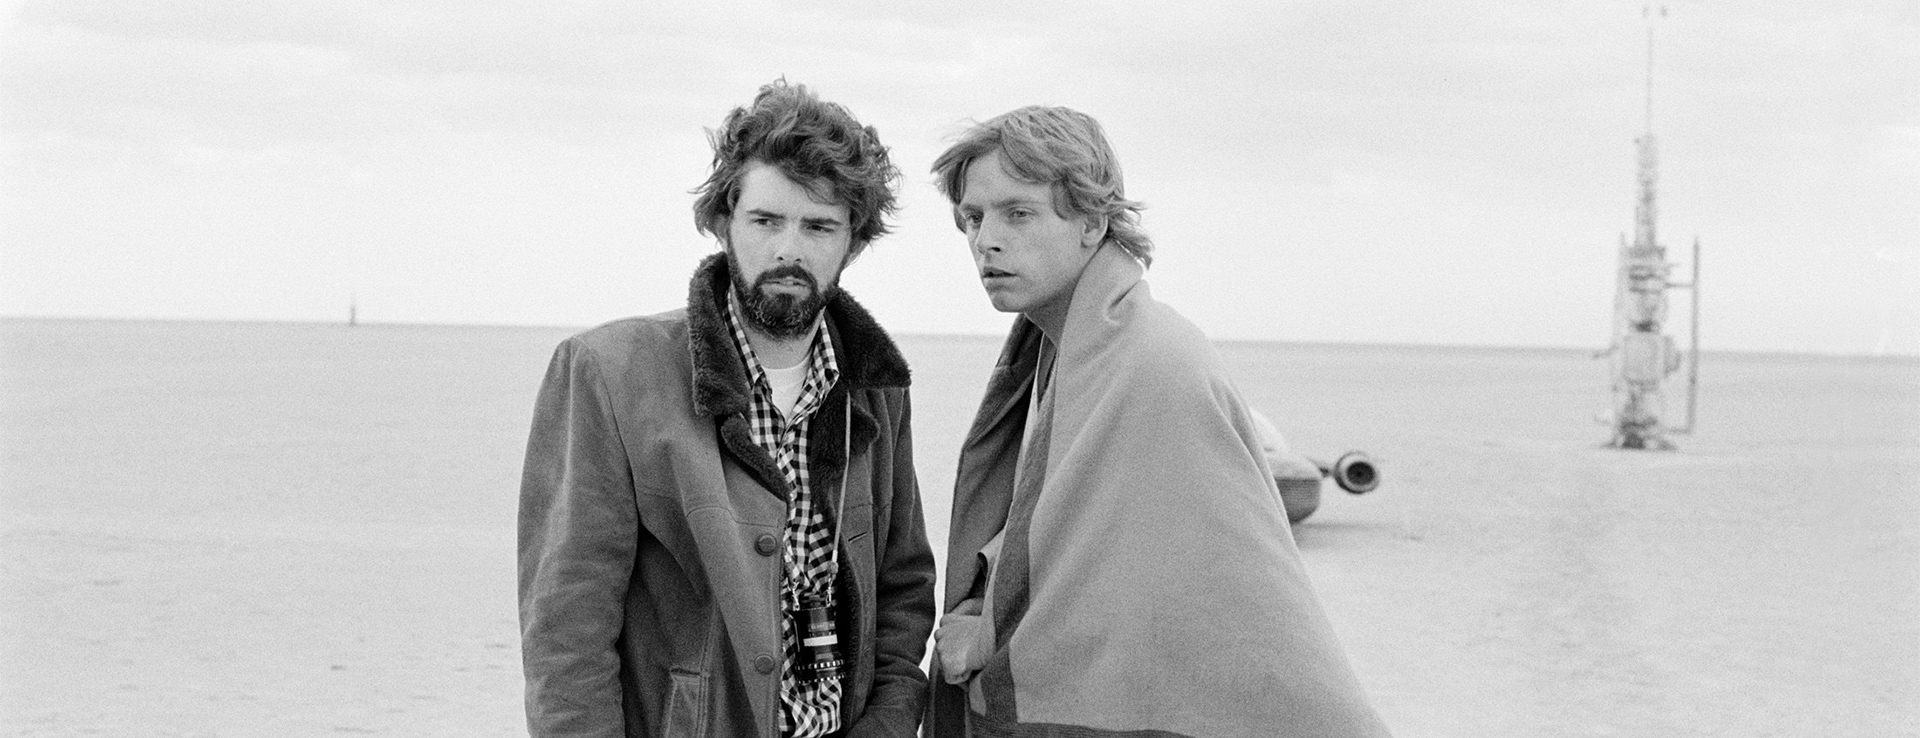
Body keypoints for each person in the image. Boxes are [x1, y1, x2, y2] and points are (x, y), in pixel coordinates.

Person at [924, 106, 1392, 737]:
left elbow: (1212, 596)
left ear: (1092, 222)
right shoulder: (1072, 350)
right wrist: (992, 603)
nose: (986, 240)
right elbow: (1073, 527)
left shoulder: (1152, 363)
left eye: (1018, 213)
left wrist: (996, 633)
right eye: (972, 218)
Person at [518, 79, 936, 738]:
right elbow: (567, 638)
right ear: (722, 223)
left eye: (819, 226)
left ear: (853, 242)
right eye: (766, 221)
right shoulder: (612, 371)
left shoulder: (875, 387)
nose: (788, 250)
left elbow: (904, 591)